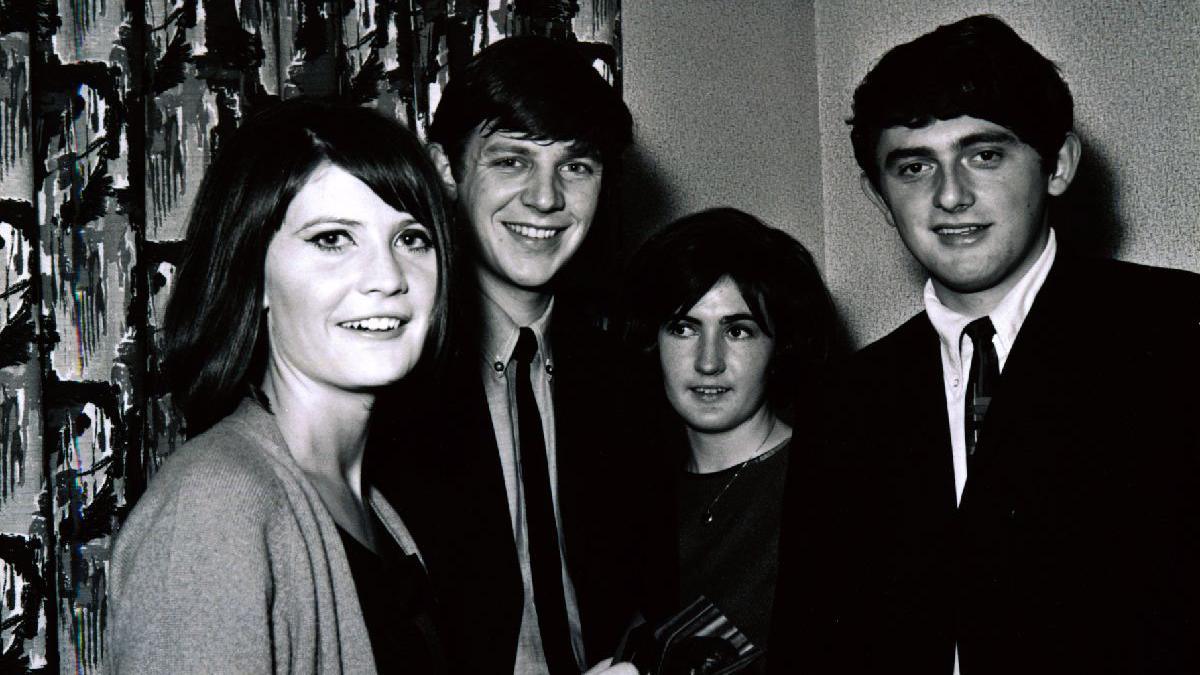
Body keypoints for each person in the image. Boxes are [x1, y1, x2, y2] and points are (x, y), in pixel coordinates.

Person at [771, 14, 1200, 675]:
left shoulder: (1177, 334)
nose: (950, 195)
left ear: (1058, 163)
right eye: (914, 167)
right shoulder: (844, 401)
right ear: (880, 197)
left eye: (985, 154)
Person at [107, 99, 453, 673]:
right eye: (333, 239)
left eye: (411, 238)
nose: (389, 278)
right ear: (254, 272)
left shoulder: (376, 507)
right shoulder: (216, 504)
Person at [369, 36, 638, 674]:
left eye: (576, 166)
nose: (546, 199)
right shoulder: (383, 381)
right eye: (512, 160)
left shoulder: (624, 381)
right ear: (444, 168)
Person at [619, 208, 837, 669]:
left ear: (780, 345)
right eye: (683, 328)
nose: (708, 362)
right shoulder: (630, 496)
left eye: (738, 330)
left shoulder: (830, 484)